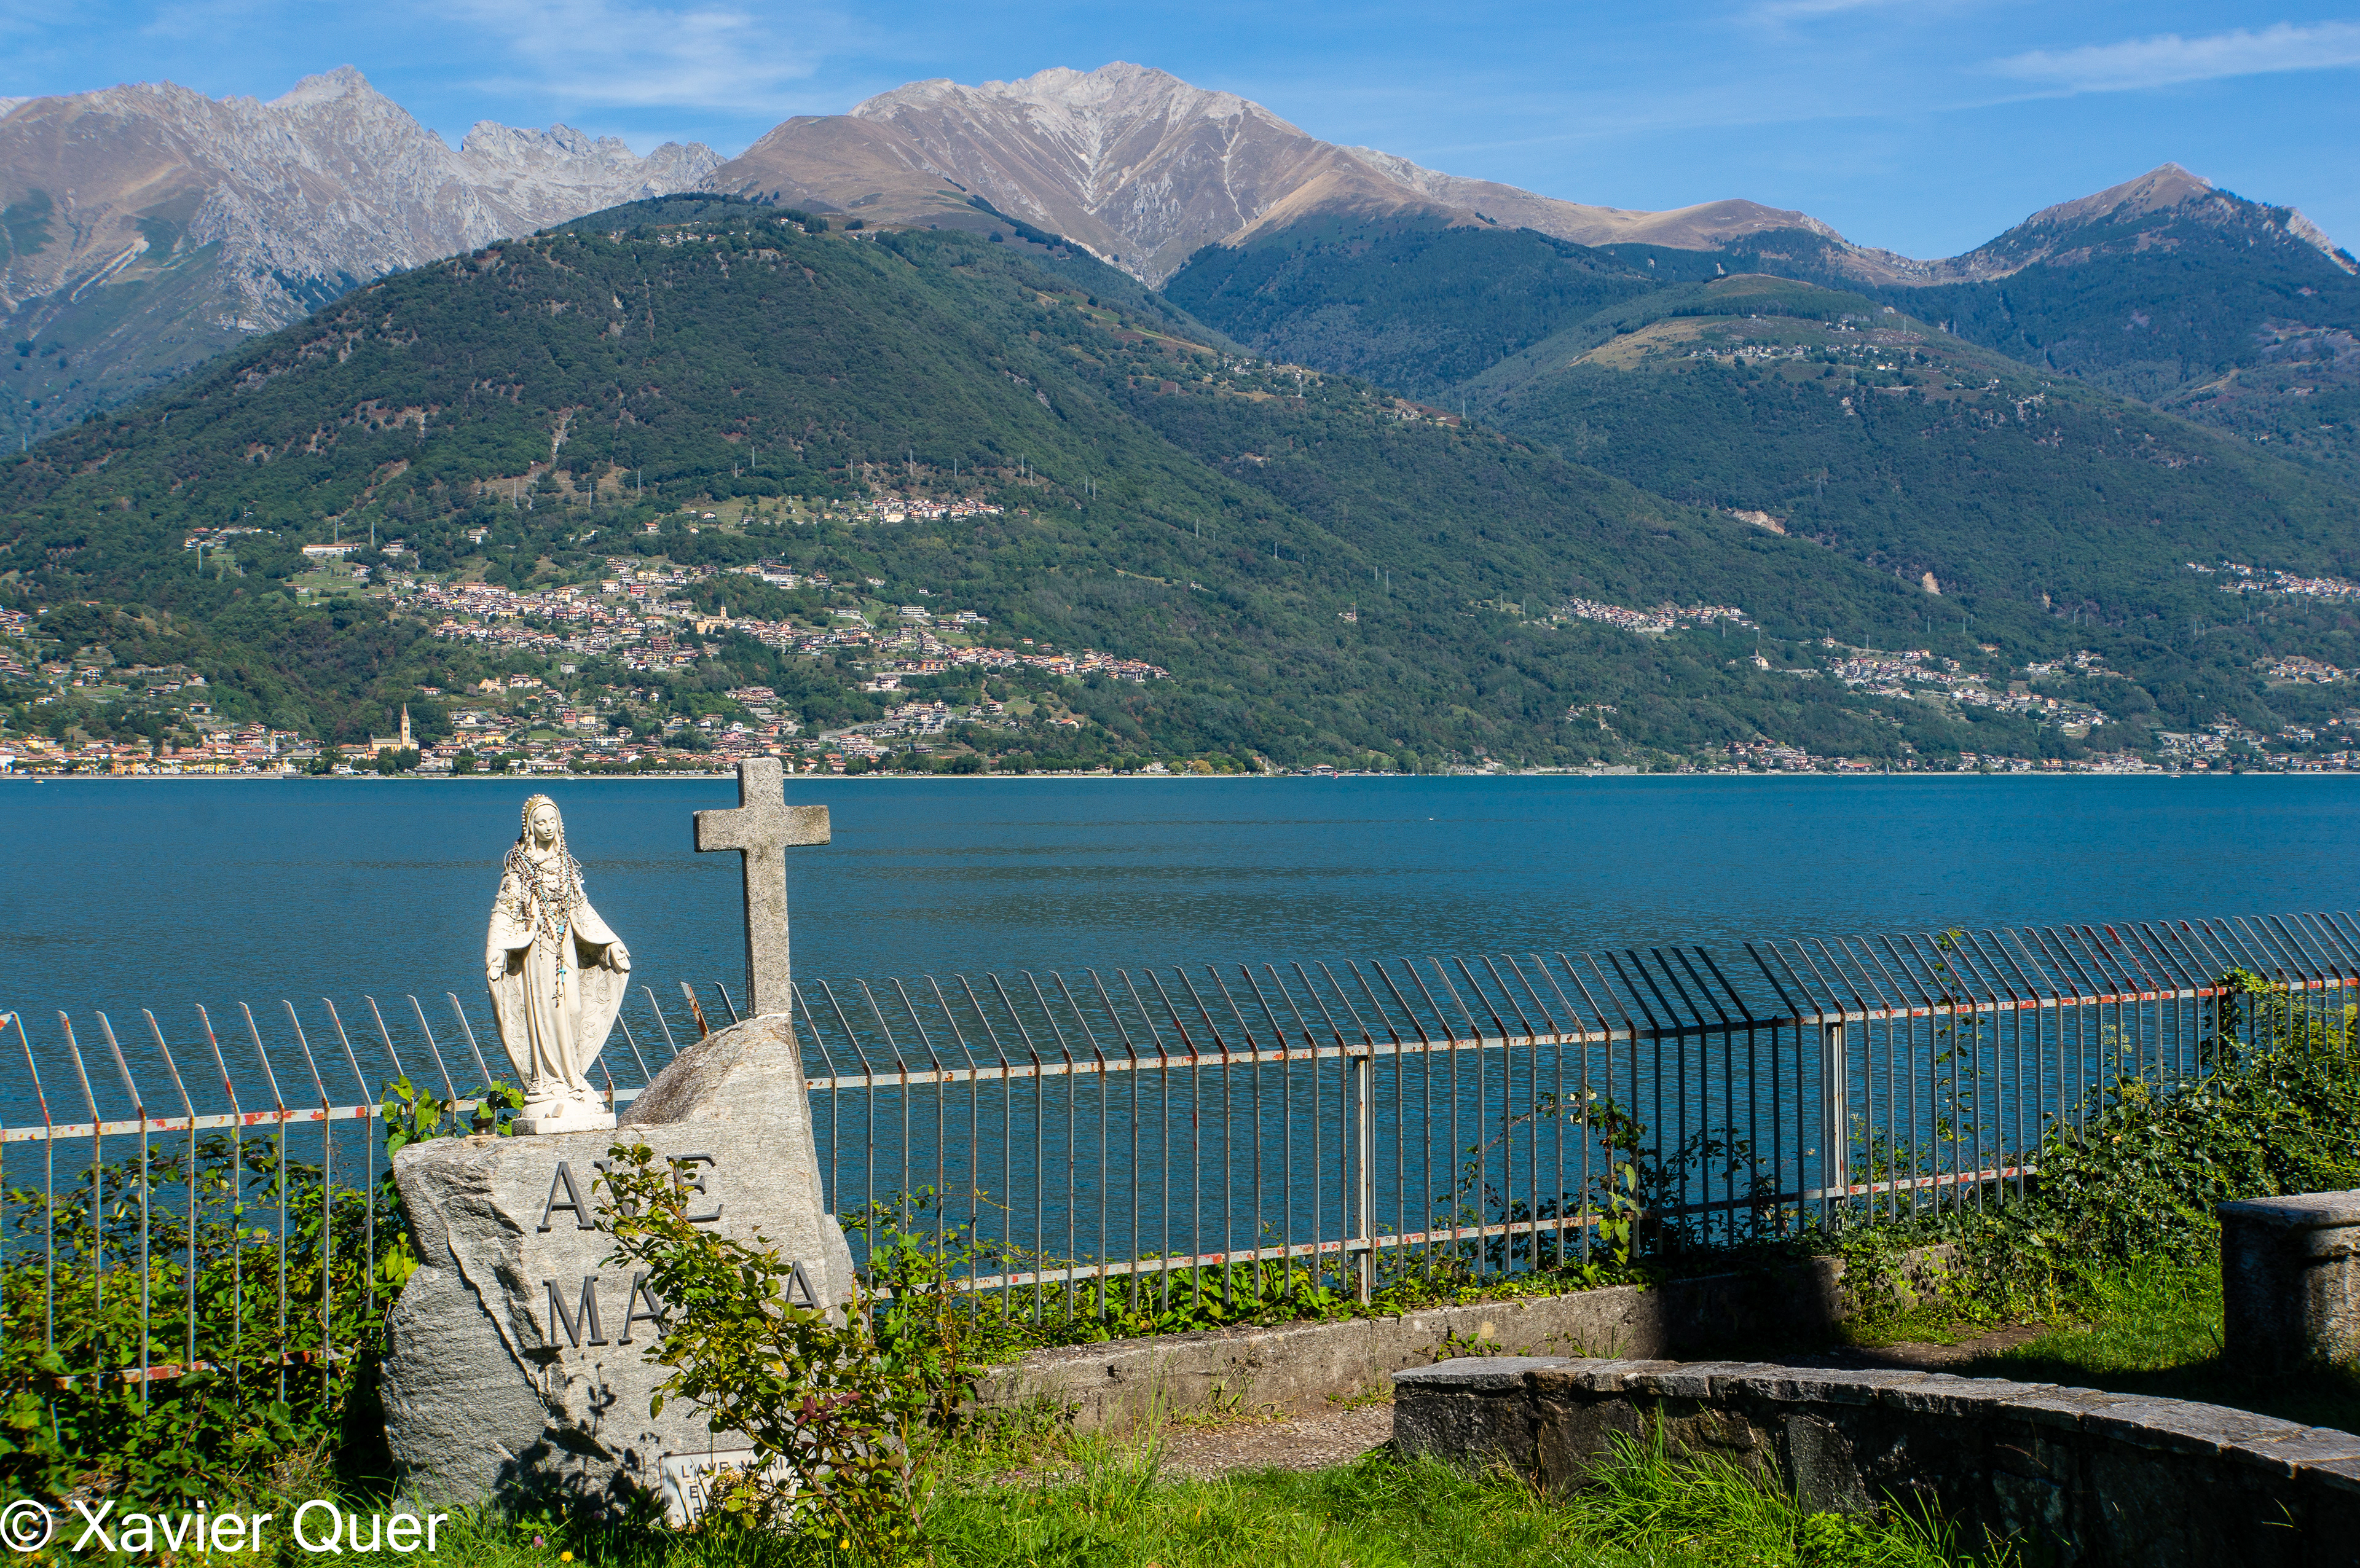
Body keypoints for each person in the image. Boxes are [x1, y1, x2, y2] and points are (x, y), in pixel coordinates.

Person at [486, 794, 631, 1128]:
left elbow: (582, 909)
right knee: (547, 1013)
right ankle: (551, 1083)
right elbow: (504, 912)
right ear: (529, 828)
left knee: (574, 1010)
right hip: (537, 951)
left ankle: (572, 1076)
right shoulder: (520, 868)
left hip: (565, 945)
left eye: (552, 821)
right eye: (541, 822)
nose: (548, 828)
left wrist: (610, 942)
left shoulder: (566, 865)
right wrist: (497, 947)